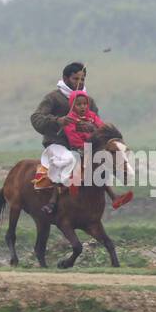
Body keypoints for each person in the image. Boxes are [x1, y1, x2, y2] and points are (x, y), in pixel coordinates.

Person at [31, 64, 133, 215]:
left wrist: (91, 128)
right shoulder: (53, 98)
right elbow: (36, 118)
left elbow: (98, 124)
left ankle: (113, 196)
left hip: (83, 144)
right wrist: (58, 121)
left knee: (101, 160)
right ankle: (53, 200)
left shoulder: (88, 101)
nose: (80, 81)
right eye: (75, 78)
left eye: (83, 78)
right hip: (58, 144)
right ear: (66, 78)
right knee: (67, 160)